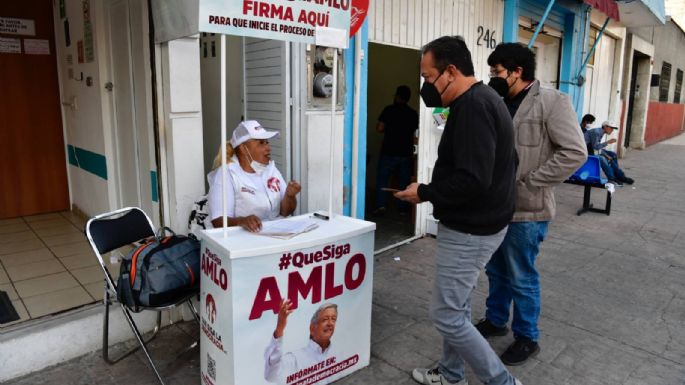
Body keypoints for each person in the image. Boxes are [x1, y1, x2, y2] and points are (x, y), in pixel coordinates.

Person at [395, 36, 522, 385]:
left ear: (451, 71)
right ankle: (451, 374)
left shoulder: (473, 107)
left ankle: (502, 382)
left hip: (471, 231)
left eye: (427, 76)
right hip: (482, 224)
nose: (424, 85)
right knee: (459, 306)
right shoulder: (485, 100)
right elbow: (508, 162)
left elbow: (472, 180)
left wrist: (425, 192)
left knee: (447, 315)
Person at [476, 43, 587, 366]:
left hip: (527, 210)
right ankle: (496, 320)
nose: (492, 77)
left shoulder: (552, 102)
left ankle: (527, 336)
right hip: (493, 208)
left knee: (521, 275)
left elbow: (574, 152)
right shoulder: (496, 100)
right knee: (496, 271)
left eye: (497, 72)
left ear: (517, 71)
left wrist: (531, 182)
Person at [206, 120, 301, 232]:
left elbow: (285, 212)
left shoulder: (270, 169)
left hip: (275, 234)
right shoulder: (226, 174)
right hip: (242, 240)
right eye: (261, 143)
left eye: (267, 142)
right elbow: (218, 220)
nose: (268, 148)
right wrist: (242, 221)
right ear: (243, 149)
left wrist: (290, 196)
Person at [264, 300, 338, 384]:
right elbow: (271, 376)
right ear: (312, 328)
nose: (330, 323)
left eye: (333, 319)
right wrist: (279, 329)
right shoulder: (295, 358)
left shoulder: (339, 353)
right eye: (325, 319)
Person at [373, 85, 419, 215]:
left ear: (397, 96)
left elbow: (380, 128)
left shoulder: (388, 110)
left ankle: (381, 206)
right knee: (403, 182)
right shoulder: (413, 114)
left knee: (383, 179)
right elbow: (416, 133)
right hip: (405, 153)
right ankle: (402, 209)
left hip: (389, 151)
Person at [584, 120, 634, 185]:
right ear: (605, 127)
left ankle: (618, 176)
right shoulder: (596, 132)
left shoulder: (600, 133)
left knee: (613, 155)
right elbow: (596, 147)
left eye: (613, 129)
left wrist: (607, 155)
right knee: (602, 159)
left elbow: (597, 148)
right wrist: (607, 142)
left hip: (592, 150)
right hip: (585, 151)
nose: (612, 130)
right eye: (611, 128)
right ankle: (612, 178)